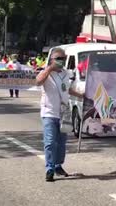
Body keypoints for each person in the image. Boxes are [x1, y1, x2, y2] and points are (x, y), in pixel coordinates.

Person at [36, 48, 83, 182]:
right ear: (52, 59)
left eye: (63, 58)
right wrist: (50, 69)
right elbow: (38, 82)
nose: (62, 61)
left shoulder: (66, 73)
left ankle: (58, 165)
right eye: (59, 58)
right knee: (50, 142)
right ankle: (49, 168)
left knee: (61, 143)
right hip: (49, 113)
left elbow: (67, 89)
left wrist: (81, 96)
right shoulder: (46, 72)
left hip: (63, 113)